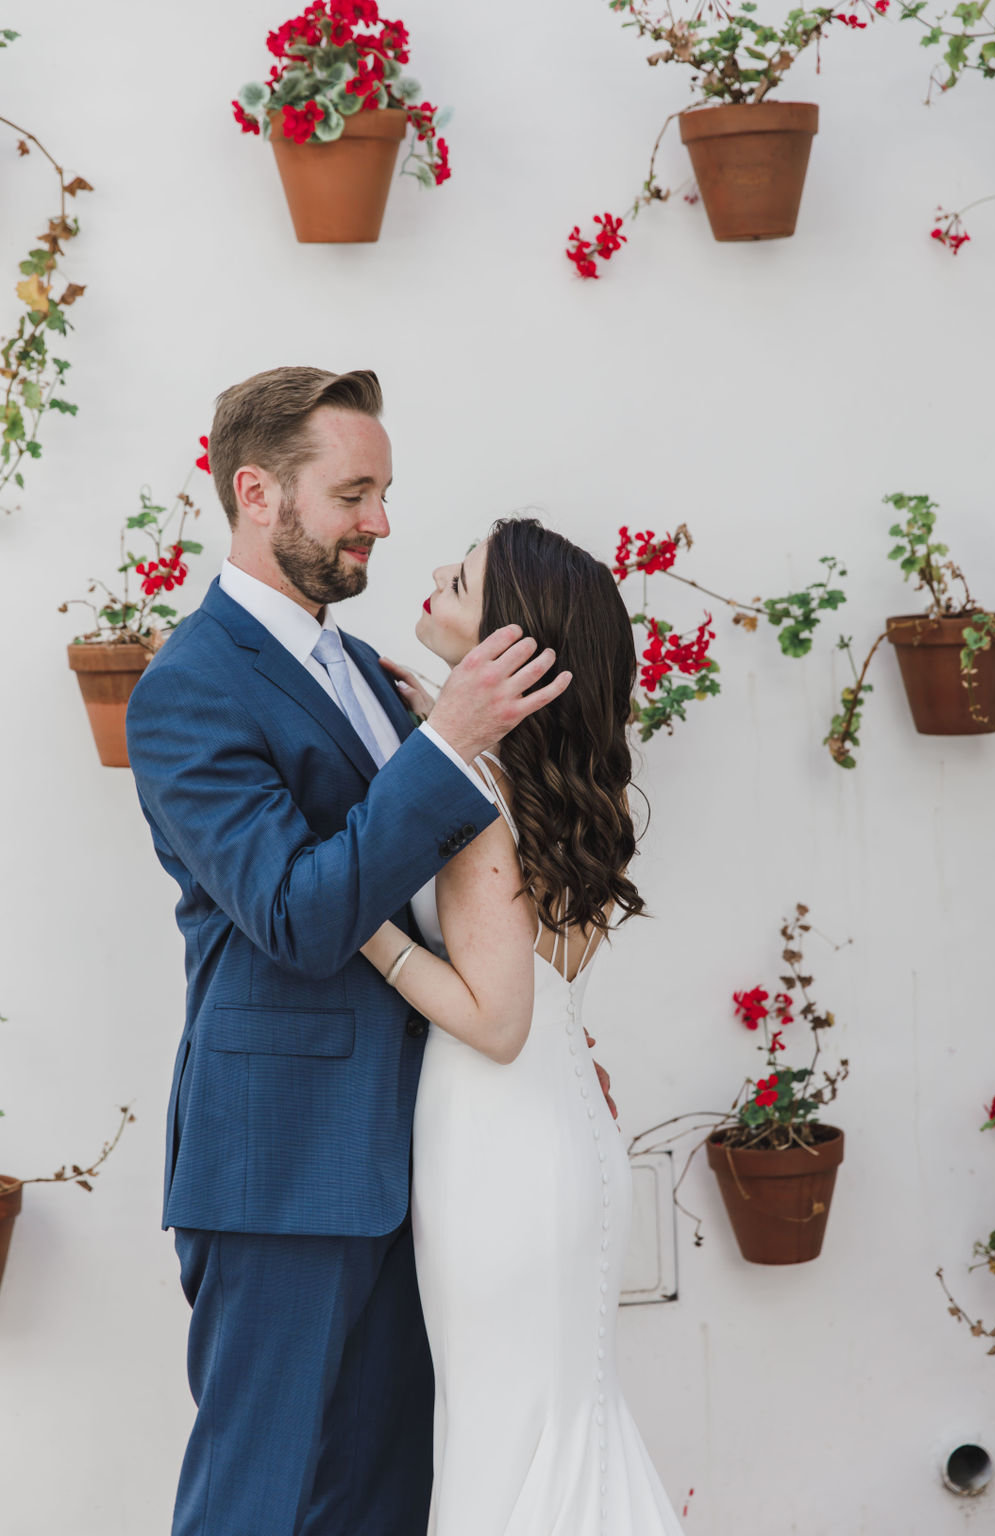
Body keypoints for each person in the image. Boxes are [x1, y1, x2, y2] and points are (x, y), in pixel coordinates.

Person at [124, 366, 573, 1536]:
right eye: (355, 493)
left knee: (381, 1503)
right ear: (258, 491)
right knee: (256, 1501)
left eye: (385, 493)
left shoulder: (370, 672)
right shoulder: (186, 690)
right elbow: (293, 914)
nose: (382, 521)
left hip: (420, 1167)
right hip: (282, 1169)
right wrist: (447, 750)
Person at [358, 517, 686, 1535]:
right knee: (556, 1434)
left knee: (504, 1449)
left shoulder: (479, 799)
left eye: (456, 581)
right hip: (558, 1141)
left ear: (510, 638)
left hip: (498, 1158)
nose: (429, 581)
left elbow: (494, 1022)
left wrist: (359, 926)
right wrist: (434, 732)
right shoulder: (542, 788)